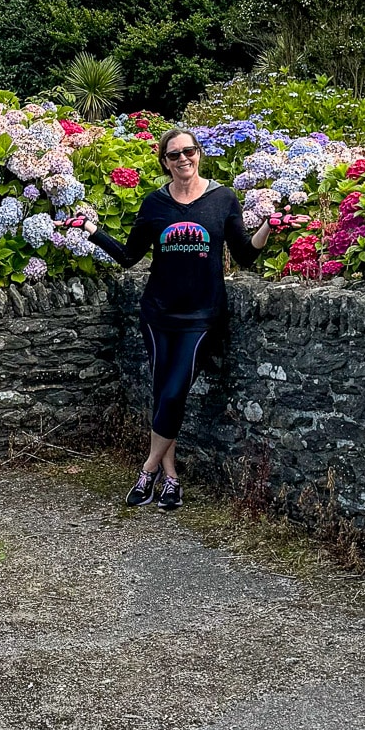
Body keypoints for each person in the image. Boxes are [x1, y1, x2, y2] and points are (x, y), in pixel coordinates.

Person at [83, 126, 271, 512]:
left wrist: (269, 227)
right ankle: (171, 481)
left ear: (199, 153)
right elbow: (128, 256)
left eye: (189, 151)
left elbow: (245, 254)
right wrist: (91, 231)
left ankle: (147, 469)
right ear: (165, 162)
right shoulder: (155, 204)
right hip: (157, 314)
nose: (183, 159)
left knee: (174, 393)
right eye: (174, 155)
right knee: (161, 394)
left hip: (202, 316)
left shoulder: (222, 199)